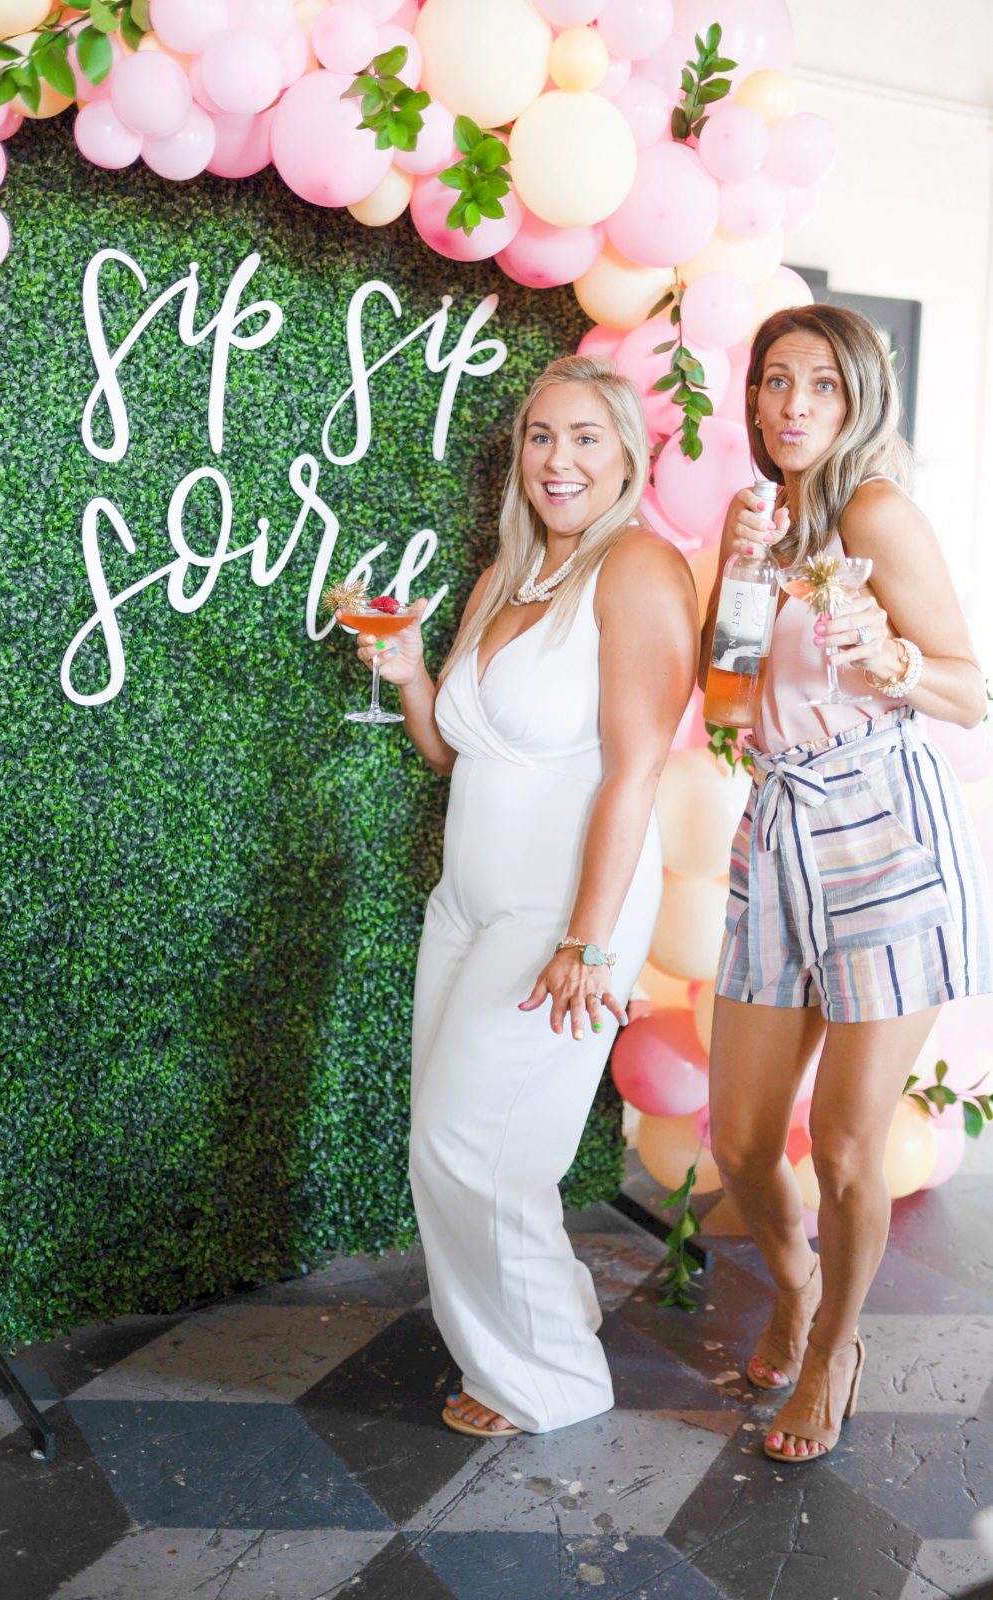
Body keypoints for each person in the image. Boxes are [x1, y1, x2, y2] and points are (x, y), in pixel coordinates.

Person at [342, 354, 698, 1436]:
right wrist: (411, 673)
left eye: (585, 437)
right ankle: (547, 1316)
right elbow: (457, 754)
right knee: (456, 1143)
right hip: (466, 903)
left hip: (565, 909)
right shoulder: (510, 570)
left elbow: (635, 771)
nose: (557, 459)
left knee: (473, 1148)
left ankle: (549, 1380)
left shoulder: (638, 567)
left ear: (627, 457)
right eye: (541, 436)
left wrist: (589, 941)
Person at [700, 304, 991, 1465]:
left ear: (858, 396)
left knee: (843, 1147)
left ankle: (832, 1347)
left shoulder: (874, 511)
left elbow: (968, 689)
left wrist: (894, 659)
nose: (791, 403)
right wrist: (735, 568)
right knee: (738, 1138)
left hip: (882, 833)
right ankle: (796, 1281)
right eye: (775, 379)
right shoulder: (764, 520)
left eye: (820, 382)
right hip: (777, 830)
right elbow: (724, 696)